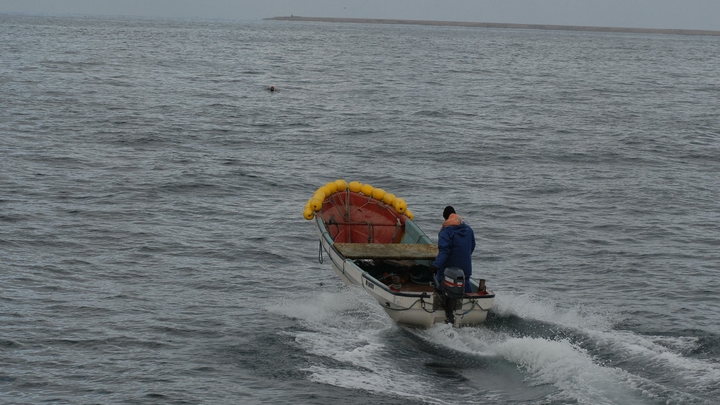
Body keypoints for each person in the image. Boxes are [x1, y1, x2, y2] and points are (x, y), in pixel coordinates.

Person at [431, 206, 476, 293]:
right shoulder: (469, 230)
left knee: (438, 279)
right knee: (466, 282)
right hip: (466, 269)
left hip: (450, 269)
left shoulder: (446, 232)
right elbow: (472, 246)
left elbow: (444, 251)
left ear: (445, 218)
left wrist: (435, 266)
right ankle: (470, 297)